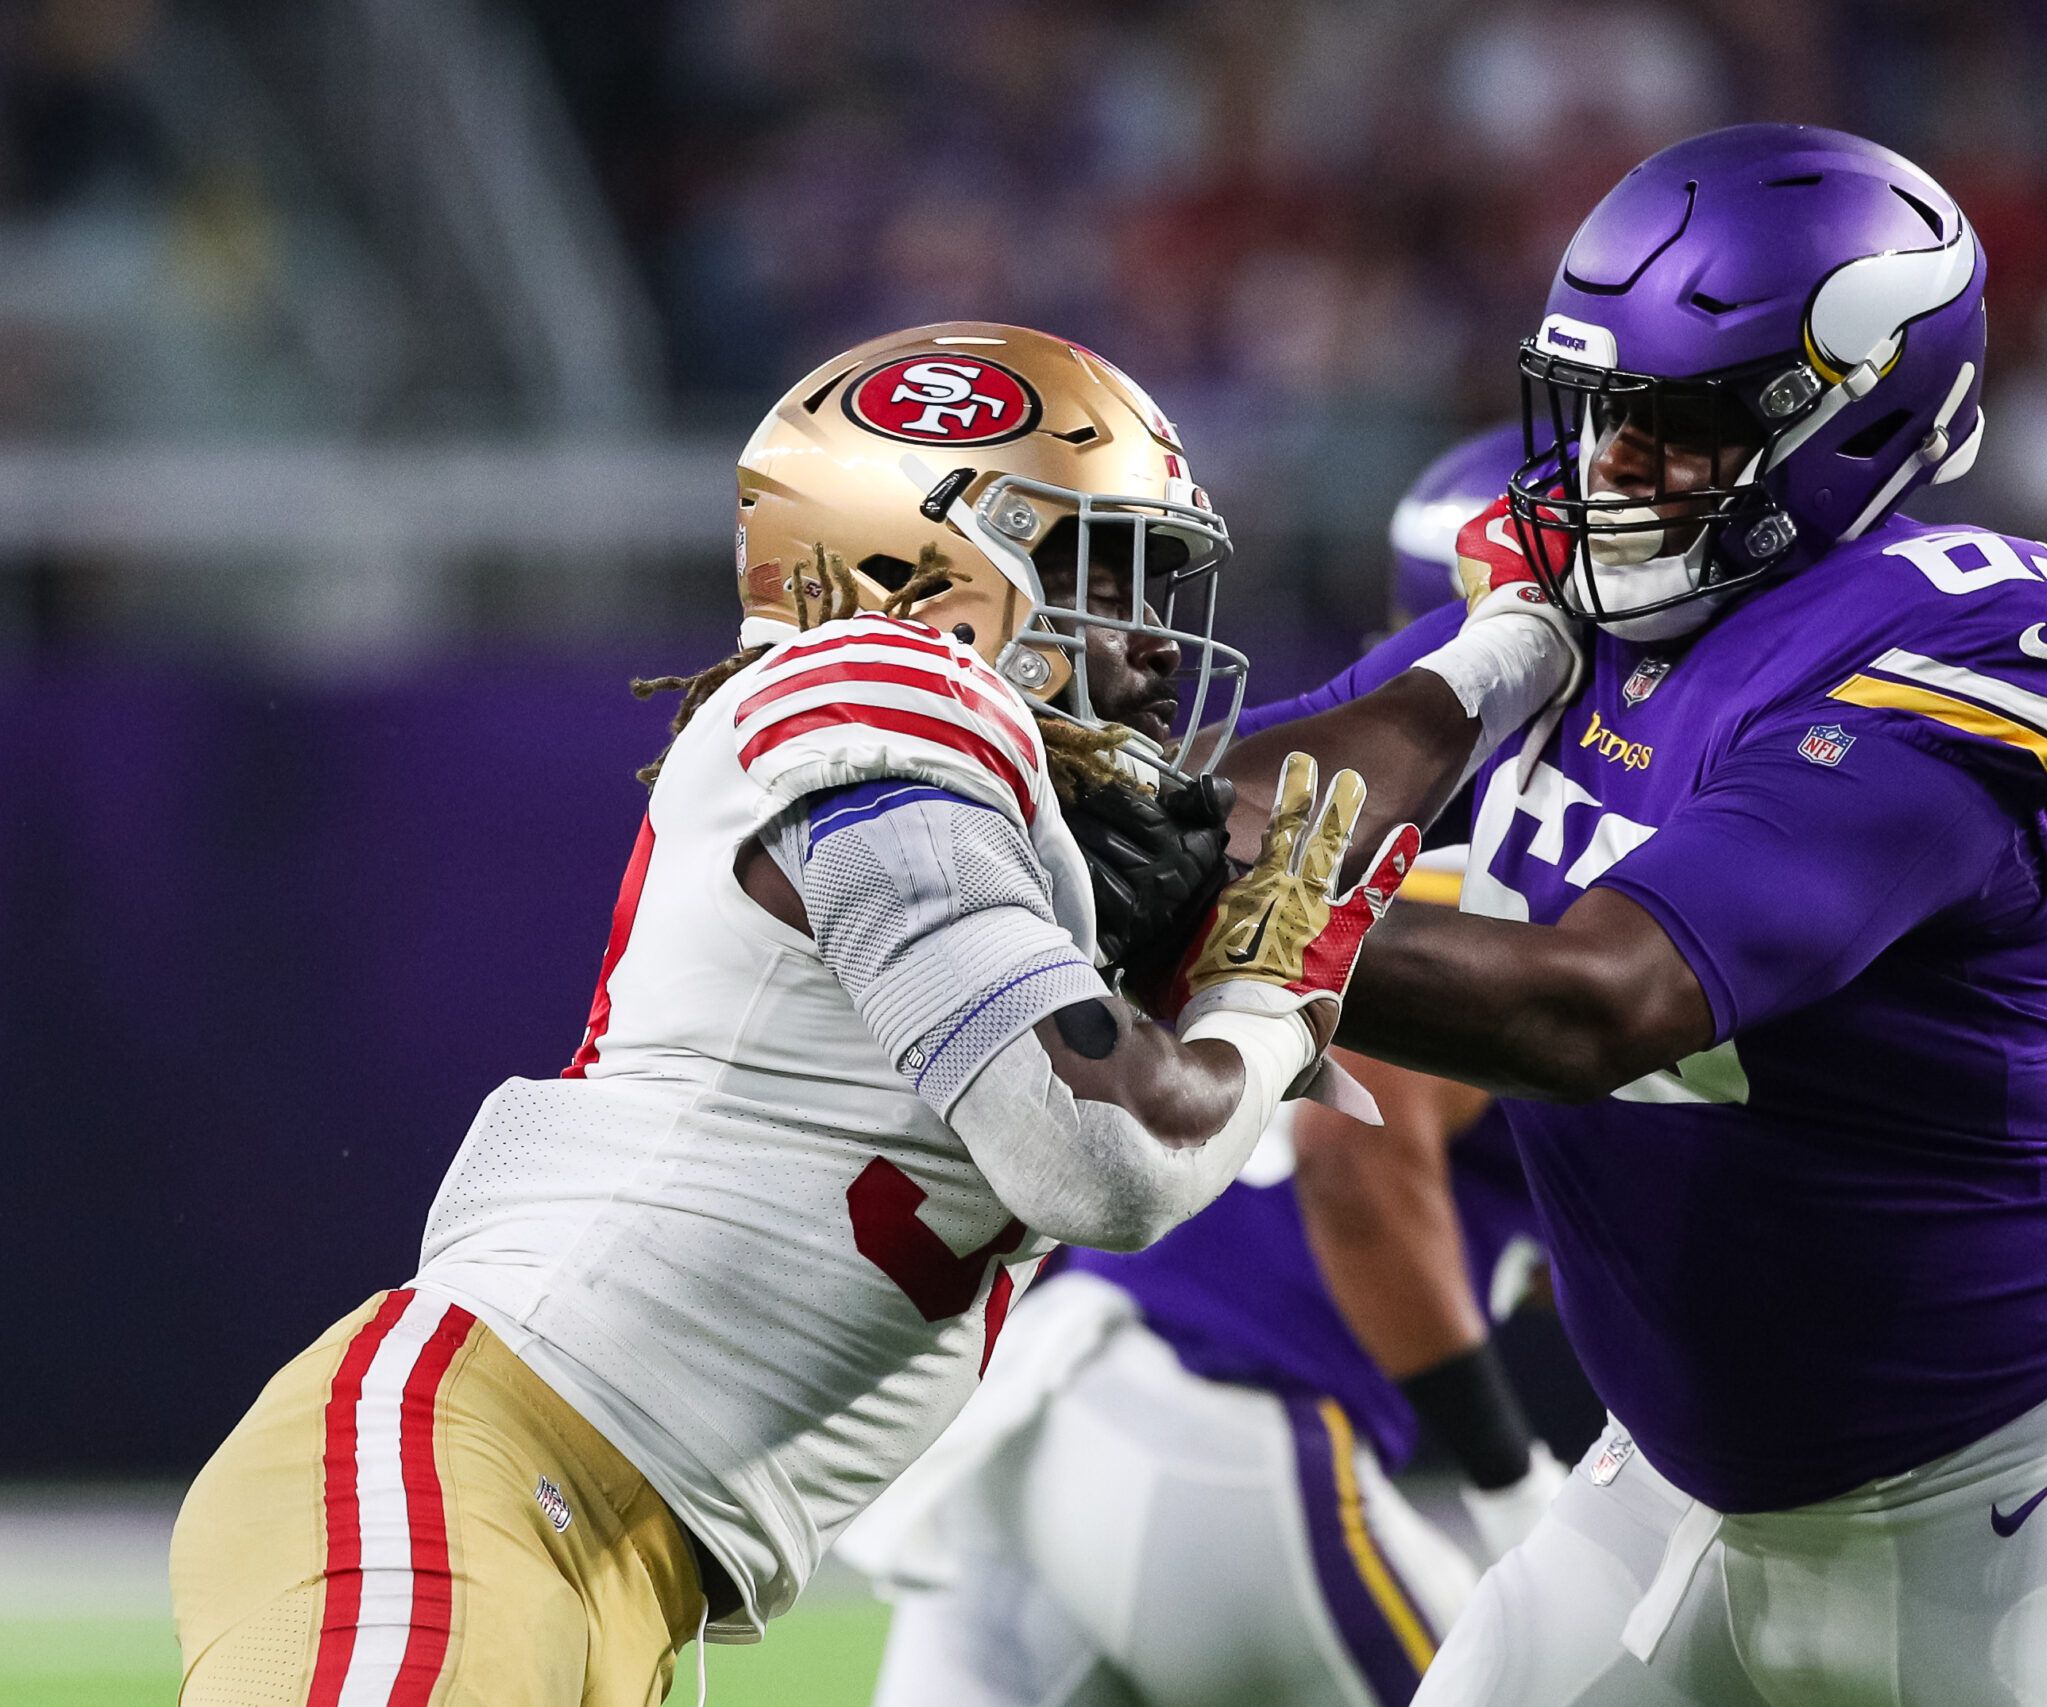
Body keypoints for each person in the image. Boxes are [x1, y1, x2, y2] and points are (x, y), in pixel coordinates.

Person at [1129, 126, 2047, 1706]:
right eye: (1594, 417)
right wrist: (1482, 656)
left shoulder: (1975, 627)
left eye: (1676, 427)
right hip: (1680, 1499)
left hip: (2046, 1487)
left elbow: (1600, 1002)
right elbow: (1229, 815)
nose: (1607, 470)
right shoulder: (1570, 623)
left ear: (1857, 417)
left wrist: (1192, 915)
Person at [166, 323, 1413, 1707]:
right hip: (476, 1470)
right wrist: (1268, 1007)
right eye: (1103, 577)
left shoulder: (992, 837)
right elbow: (1101, 1162)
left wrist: (1521, 644)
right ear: (928, 565)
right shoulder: (879, 698)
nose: (1152, 649)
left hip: (604, 1551)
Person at [849, 426, 1569, 1707]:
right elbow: (1362, 1157)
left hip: (1065, 1394)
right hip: (1229, 1419)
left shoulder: (1297, 829)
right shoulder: (1503, 883)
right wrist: (1503, 1469)